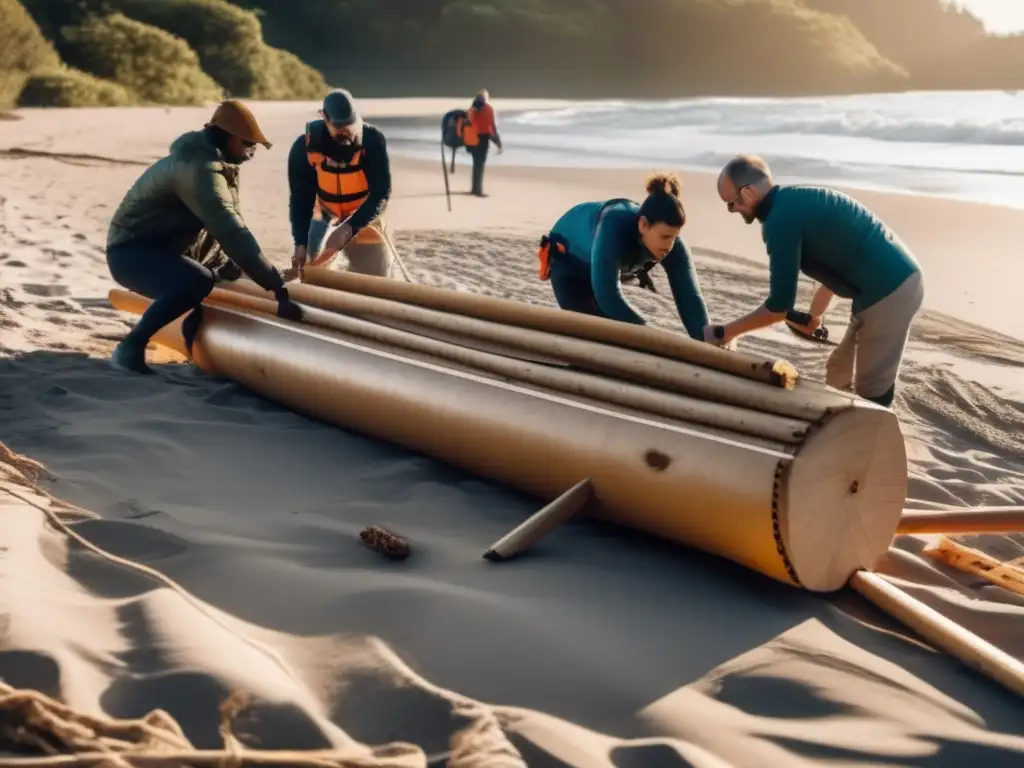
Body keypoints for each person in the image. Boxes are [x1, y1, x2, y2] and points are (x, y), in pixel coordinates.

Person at [709, 154, 924, 407]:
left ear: (747, 193)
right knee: (838, 371)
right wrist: (815, 317)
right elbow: (837, 264)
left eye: (731, 203)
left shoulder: (779, 222)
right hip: (890, 282)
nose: (732, 210)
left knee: (872, 391)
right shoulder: (793, 201)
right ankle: (842, 425)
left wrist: (725, 333)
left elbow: (778, 307)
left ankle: (874, 439)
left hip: (889, 290)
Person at [105, 99, 302, 375]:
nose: (252, 151)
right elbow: (230, 230)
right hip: (130, 253)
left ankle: (189, 335)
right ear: (228, 137)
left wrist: (236, 271)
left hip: (162, 249)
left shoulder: (216, 163)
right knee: (197, 281)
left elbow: (215, 233)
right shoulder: (198, 169)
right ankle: (130, 347)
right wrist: (276, 287)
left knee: (207, 279)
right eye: (248, 144)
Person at [536, 172, 709, 340]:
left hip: (603, 270)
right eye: (665, 237)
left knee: (619, 334)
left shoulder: (670, 243)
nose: (669, 245)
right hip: (570, 267)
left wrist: (706, 340)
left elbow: (690, 298)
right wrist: (650, 334)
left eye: (674, 237)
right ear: (644, 225)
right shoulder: (614, 225)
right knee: (597, 336)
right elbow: (608, 295)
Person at [287, 88, 394, 278]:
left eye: (351, 125)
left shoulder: (372, 140)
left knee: (377, 277)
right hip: (324, 211)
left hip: (363, 214)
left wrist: (349, 228)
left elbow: (381, 193)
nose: (348, 133)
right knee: (313, 270)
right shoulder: (303, 147)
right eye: (340, 128)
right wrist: (300, 243)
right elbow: (300, 200)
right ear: (325, 119)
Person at [460, 89, 503, 197]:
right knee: (480, 164)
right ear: (486, 98)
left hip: (472, 139)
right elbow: (491, 128)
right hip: (483, 138)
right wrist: (498, 143)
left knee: (476, 163)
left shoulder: (471, 109)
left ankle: (474, 188)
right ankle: (478, 190)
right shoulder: (488, 109)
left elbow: (465, 124)